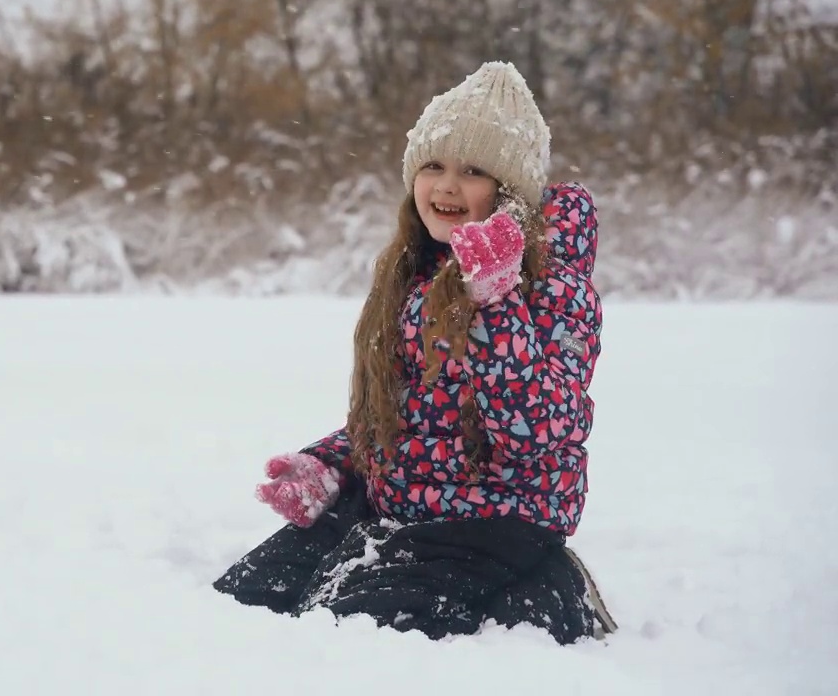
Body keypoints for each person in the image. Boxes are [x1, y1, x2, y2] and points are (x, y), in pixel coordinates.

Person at [212, 61, 616, 644]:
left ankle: (548, 583)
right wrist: (332, 463)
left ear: (511, 196)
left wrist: (495, 303)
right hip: (397, 507)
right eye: (433, 166)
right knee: (249, 599)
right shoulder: (415, 276)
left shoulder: (554, 286)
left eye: (474, 171)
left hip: (494, 517)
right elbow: (409, 412)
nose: (447, 186)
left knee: (345, 629)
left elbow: (537, 432)